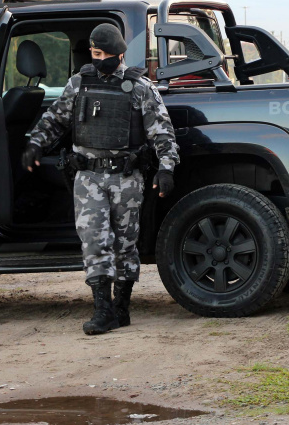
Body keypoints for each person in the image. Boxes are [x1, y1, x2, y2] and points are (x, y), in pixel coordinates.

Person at [22, 23, 179, 335]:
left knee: (125, 245)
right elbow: (55, 118)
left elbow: (162, 132)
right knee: (94, 242)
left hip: (126, 177)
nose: (99, 59)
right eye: (95, 53)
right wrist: (35, 144)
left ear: (120, 54)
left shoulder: (139, 87)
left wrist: (166, 169)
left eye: (105, 54)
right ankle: (103, 310)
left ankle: (122, 309)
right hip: (89, 178)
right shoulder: (80, 83)